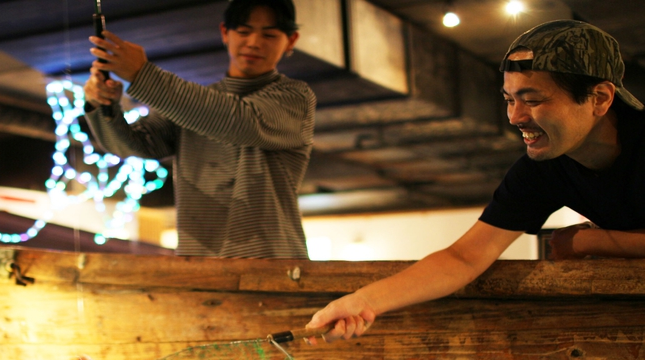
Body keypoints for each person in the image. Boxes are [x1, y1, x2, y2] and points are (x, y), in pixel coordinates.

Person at [307, 19, 645, 341]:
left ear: (599, 98)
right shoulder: (543, 168)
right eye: (509, 100)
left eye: (533, 100)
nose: (515, 117)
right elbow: (464, 258)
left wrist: (589, 242)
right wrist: (363, 302)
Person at [83, 0, 316, 258]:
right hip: (199, 266)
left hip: (271, 264)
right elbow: (132, 145)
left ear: (291, 41)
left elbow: (241, 121)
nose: (254, 42)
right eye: (243, 31)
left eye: (269, 34)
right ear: (225, 33)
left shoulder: (295, 98)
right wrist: (103, 105)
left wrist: (143, 75)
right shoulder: (193, 104)